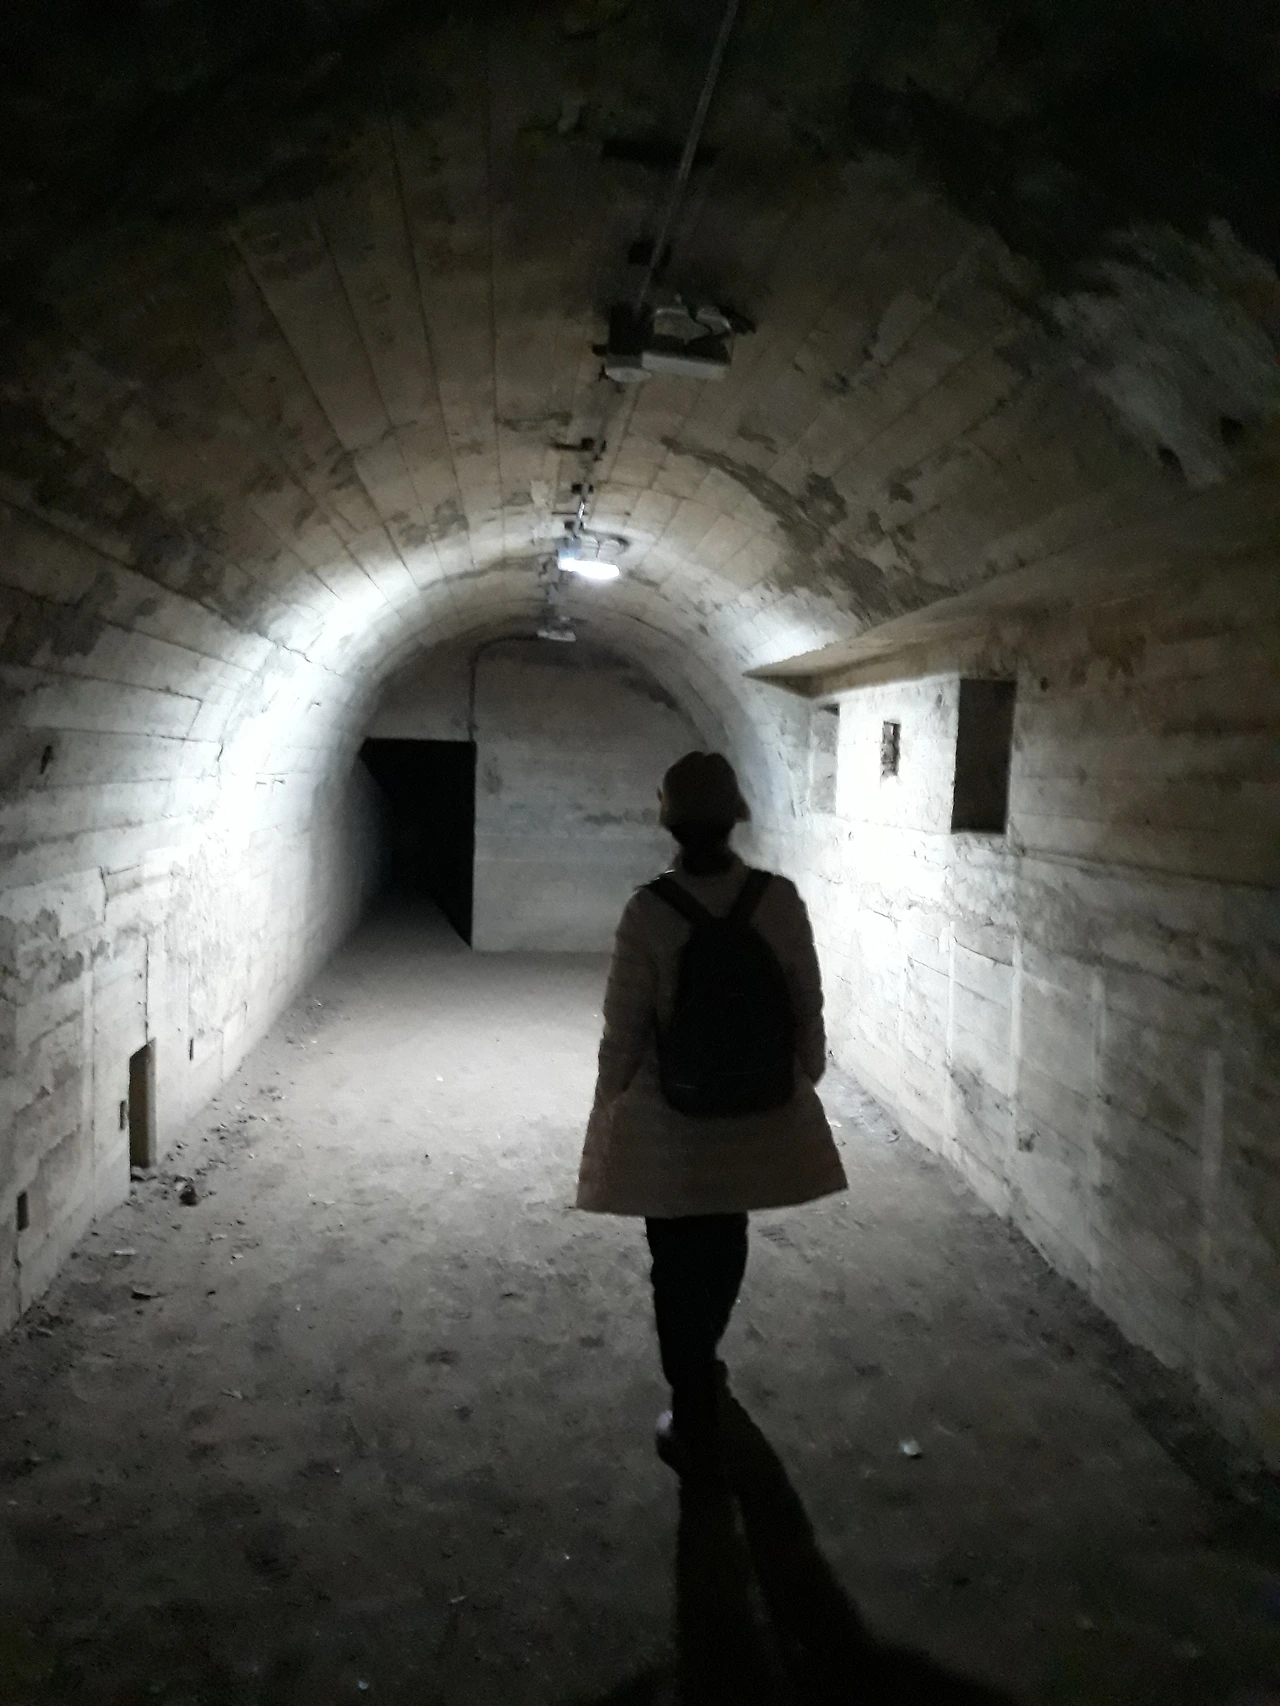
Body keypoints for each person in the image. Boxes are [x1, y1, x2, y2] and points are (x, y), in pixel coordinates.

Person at [576, 751, 847, 1477]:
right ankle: (704, 1372)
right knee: (727, 1240)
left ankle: (692, 1401)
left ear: (667, 821)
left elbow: (624, 1028)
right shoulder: (778, 900)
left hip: (671, 1121)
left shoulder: (648, 911)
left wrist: (608, 1106)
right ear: (735, 819)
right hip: (751, 1114)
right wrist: (801, 1075)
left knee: (674, 1264)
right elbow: (807, 1003)